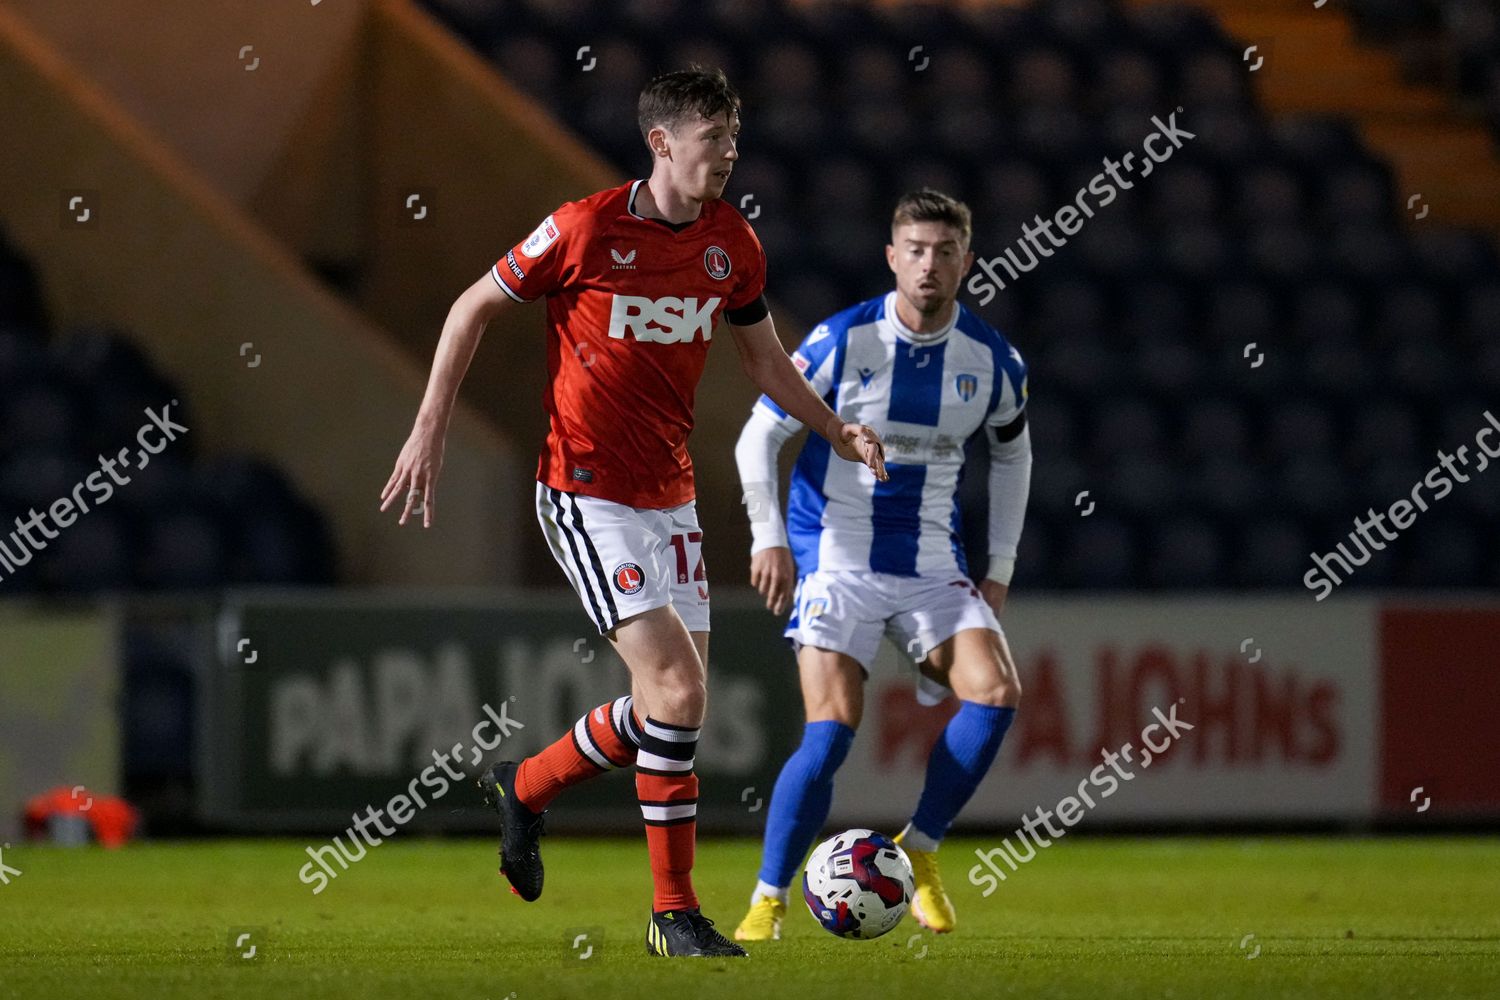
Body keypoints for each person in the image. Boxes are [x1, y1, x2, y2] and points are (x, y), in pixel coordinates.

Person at [379, 67, 887, 958]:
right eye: (713, 138)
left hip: (672, 495)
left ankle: (527, 785)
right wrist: (429, 430)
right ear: (661, 144)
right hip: (584, 490)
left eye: (734, 138)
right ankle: (672, 914)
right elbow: (472, 307)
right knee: (682, 692)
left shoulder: (732, 244)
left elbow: (766, 365)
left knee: (668, 709)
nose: (729, 154)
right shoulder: (583, 228)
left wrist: (835, 429)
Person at [731, 189, 1030, 941]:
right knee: (831, 733)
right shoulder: (843, 340)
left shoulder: (993, 361)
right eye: (916, 251)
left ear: (967, 261)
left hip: (933, 562)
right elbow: (756, 439)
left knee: (995, 694)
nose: (930, 265)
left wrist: (999, 566)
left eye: (945, 251)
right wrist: (768, 538)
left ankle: (920, 850)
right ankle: (768, 898)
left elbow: (1015, 454)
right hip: (836, 557)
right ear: (892, 258)